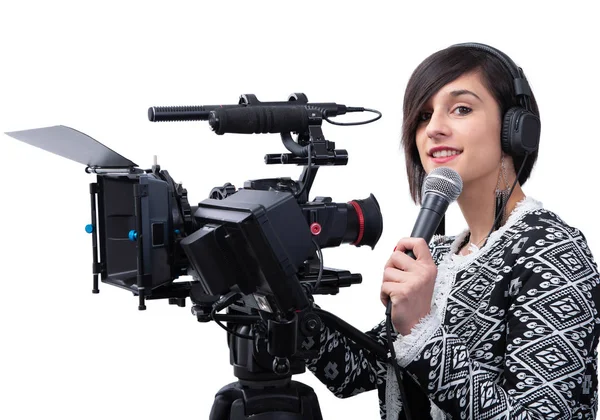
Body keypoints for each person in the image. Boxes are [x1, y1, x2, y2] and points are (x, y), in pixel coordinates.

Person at [304, 43, 600, 419]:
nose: (435, 129)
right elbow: (355, 370)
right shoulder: (441, 254)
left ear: (515, 129)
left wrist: (422, 331)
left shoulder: (551, 250)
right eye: (424, 115)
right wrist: (278, 302)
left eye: (461, 108)